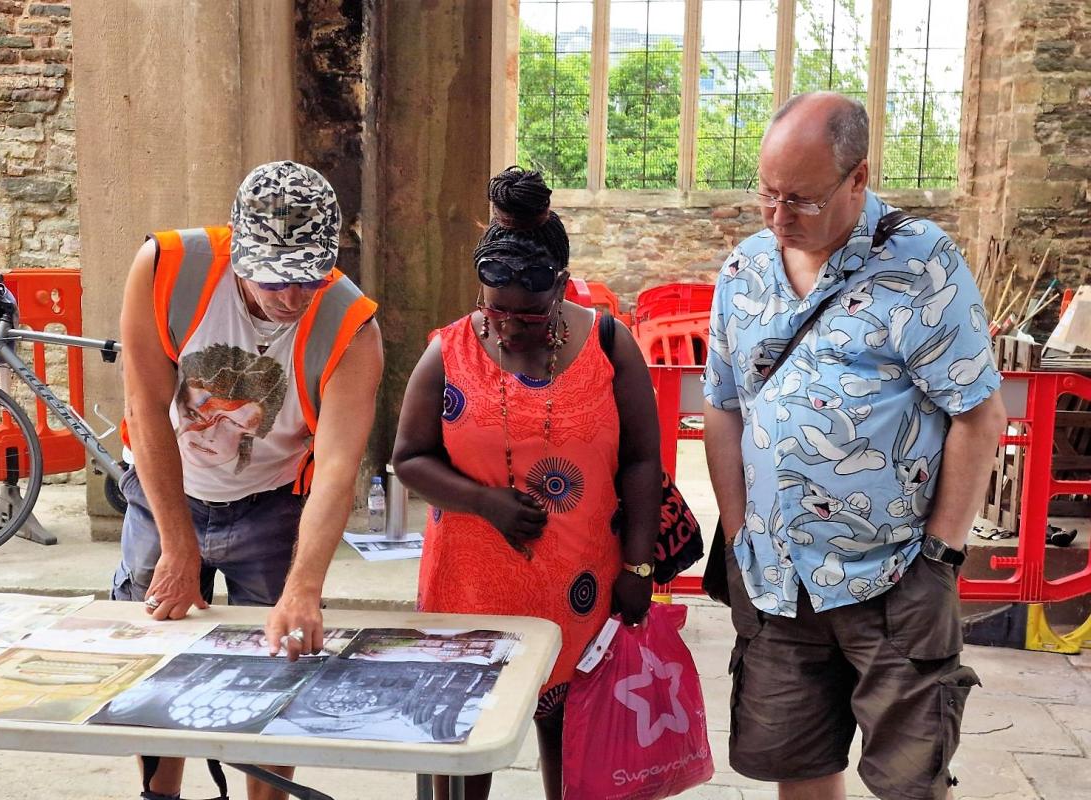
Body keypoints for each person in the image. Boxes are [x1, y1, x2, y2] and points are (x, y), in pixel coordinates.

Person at [703, 92, 1008, 800]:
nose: (780, 217)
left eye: (803, 200)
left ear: (858, 178)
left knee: (911, 781)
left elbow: (978, 414)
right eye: (767, 194)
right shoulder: (744, 273)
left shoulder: (923, 265)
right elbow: (722, 408)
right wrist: (743, 527)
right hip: (778, 579)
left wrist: (942, 552)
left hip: (894, 577)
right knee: (799, 765)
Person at [115, 161, 383, 800]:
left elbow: (338, 469)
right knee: (158, 659)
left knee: (280, 658)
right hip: (168, 488)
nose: (292, 298)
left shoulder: (352, 327)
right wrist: (179, 547)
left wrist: (305, 588)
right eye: (275, 279)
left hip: (271, 504)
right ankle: (161, 793)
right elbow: (144, 407)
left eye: (309, 278)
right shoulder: (166, 269)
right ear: (238, 249)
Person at [391, 166, 661, 800]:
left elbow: (643, 460)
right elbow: (408, 457)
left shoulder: (609, 344)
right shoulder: (449, 352)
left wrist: (640, 567)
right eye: (497, 311)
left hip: (581, 583)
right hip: (471, 582)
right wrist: (485, 503)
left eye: (531, 315)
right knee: (460, 737)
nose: (511, 327)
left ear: (562, 289)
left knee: (574, 741)